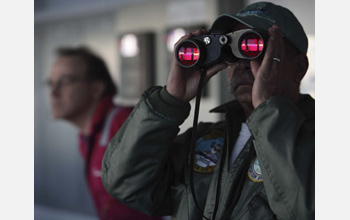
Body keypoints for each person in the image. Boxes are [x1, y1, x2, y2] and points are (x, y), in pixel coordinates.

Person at [102, 2, 314, 220]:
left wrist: (267, 106)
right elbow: (126, 185)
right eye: (232, 50)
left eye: (253, 46)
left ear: (298, 67)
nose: (240, 62)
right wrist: (169, 100)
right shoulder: (204, 139)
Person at [49, 46, 162, 220]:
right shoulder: (86, 137)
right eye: (51, 83)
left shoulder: (123, 124)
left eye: (65, 81)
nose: (53, 93)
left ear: (96, 89)